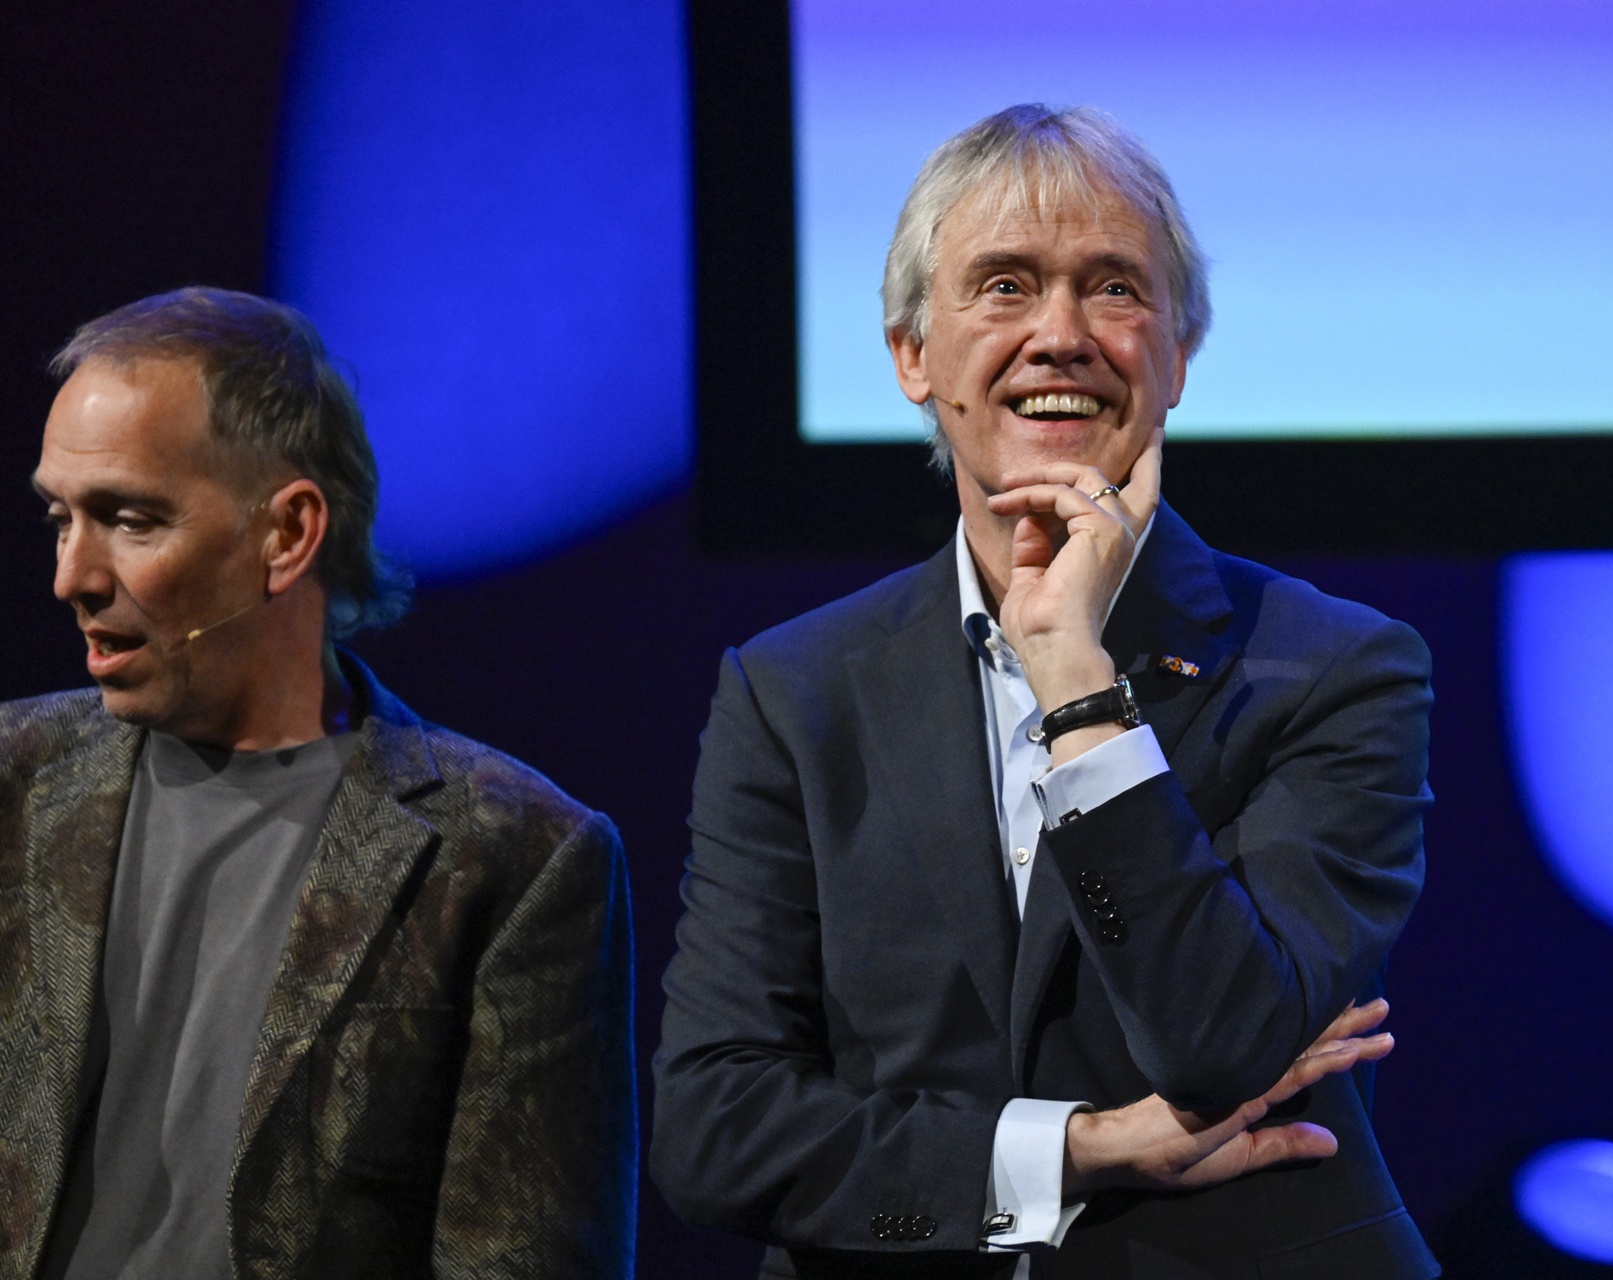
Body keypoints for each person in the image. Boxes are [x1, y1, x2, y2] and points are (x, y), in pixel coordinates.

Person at [652, 105, 1439, 1278]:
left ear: (1177, 354)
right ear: (914, 354)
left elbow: (1218, 1045)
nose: (1060, 335)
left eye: (1114, 288)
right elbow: (716, 1131)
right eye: (1005, 286)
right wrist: (1073, 1151)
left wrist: (1077, 678)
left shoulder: (1334, 669)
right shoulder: (794, 690)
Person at [0, 288, 638, 1279]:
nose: (71, 576)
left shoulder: (510, 855)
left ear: (288, 534)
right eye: (60, 517)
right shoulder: (11, 783)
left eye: (129, 519)